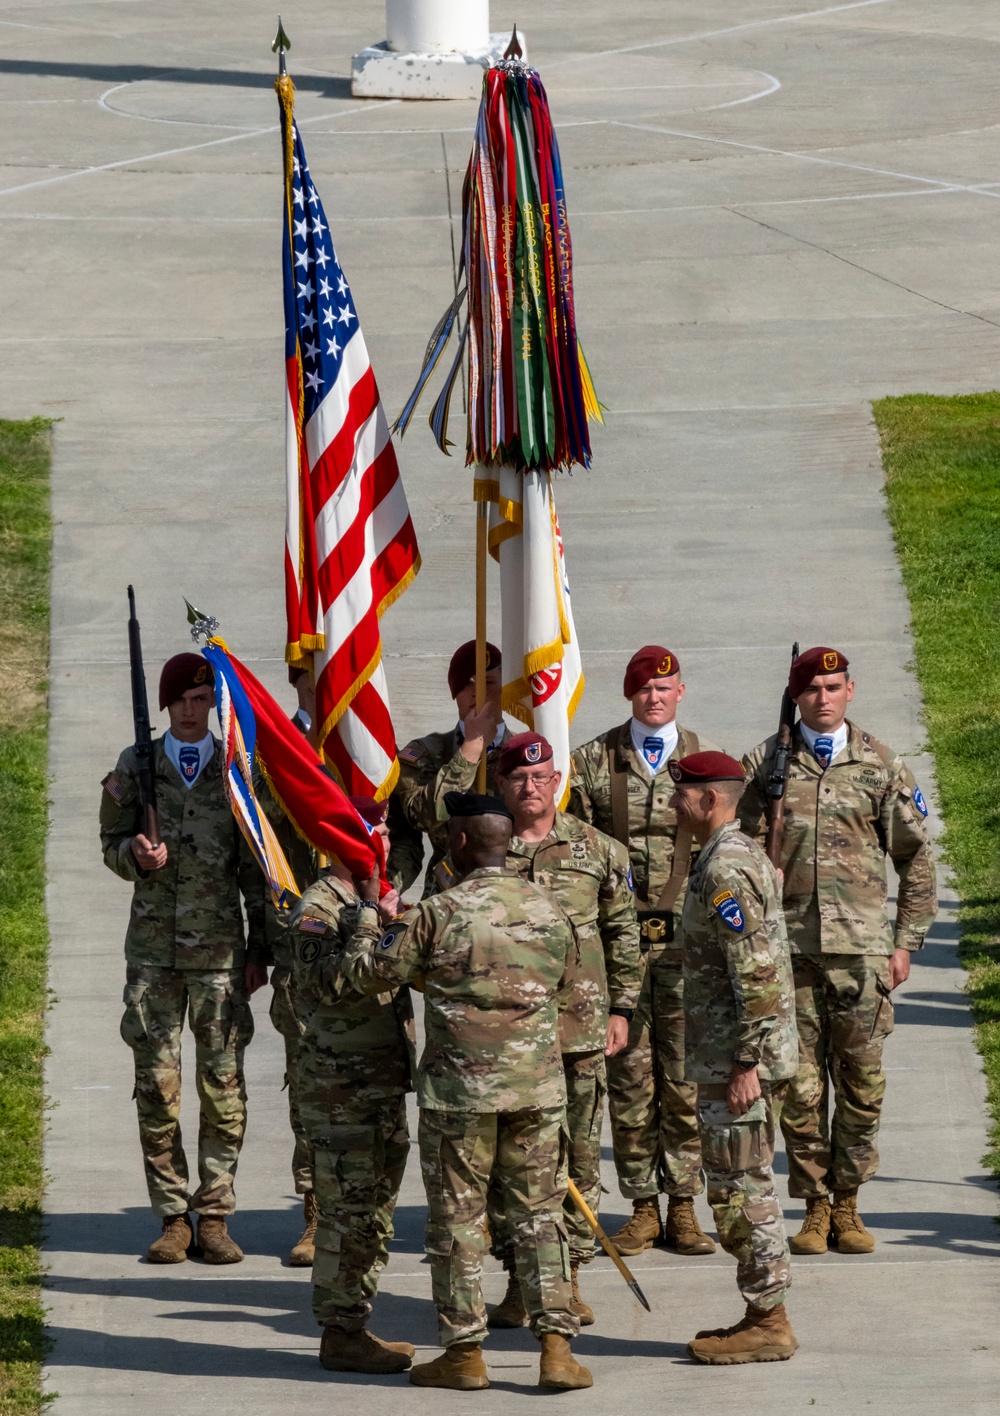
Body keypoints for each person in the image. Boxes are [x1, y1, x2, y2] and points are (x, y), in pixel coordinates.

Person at [339, 792, 592, 1393]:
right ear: (506, 843)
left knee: (457, 1222)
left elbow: (366, 975)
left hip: (461, 1096)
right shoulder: (552, 911)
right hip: (535, 1089)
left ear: (456, 843)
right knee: (539, 1216)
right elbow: (570, 987)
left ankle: (463, 1354)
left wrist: (371, 918)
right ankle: (556, 1349)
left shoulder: (437, 913)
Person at [739, 647, 937, 1255]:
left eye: (833, 686)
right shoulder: (765, 764)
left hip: (862, 955)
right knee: (799, 1088)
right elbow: (736, 857)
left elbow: (916, 857)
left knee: (861, 1083)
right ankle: (816, 1206)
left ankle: (850, 1201)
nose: (823, 698)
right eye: (812, 688)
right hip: (789, 952)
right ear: (796, 696)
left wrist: (905, 942)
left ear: (851, 690)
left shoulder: (881, 765)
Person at [100, 652, 266, 1264]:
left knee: (223, 1087)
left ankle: (215, 1212)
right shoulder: (135, 764)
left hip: (222, 953)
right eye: (181, 703)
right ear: (166, 706)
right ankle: (173, 1217)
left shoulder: (234, 769)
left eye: (201, 702)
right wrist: (133, 858)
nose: (191, 713)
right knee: (157, 1088)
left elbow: (256, 865)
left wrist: (261, 949)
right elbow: (109, 841)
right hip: (153, 956)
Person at [489, 732, 643, 1329]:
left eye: (541, 776)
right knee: (511, 1163)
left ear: (559, 781)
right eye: (519, 779)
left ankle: (569, 1278)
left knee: (577, 1156)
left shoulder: (600, 851)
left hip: (578, 1032)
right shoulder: (479, 851)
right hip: (502, 1038)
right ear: (502, 785)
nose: (531, 787)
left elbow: (623, 935)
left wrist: (622, 1010)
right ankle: (517, 1281)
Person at [569, 644, 718, 1257]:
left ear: (680, 692)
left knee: (682, 1077)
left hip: (686, 946)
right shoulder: (593, 761)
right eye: (642, 690)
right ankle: (641, 1208)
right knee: (628, 1078)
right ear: (628, 696)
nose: (654, 698)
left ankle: (684, 1205)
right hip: (618, 945)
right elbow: (572, 848)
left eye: (664, 689)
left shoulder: (706, 763)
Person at [668, 750, 799, 1364]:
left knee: (742, 1188)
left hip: (734, 1061)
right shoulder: (734, 855)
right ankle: (761, 1311)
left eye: (683, 793)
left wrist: (746, 1062)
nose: (673, 803)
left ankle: (769, 1318)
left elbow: (757, 972)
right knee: (738, 1184)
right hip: (729, 1055)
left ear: (711, 798)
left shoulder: (725, 869)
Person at [287, 795, 415, 1375]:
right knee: (345, 1212)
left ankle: (357, 1321)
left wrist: (393, 922)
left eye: (385, 830)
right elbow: (333, 986)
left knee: (375, 1212)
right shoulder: (319, 907)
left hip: (382, 1078)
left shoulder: (371, 901)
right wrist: (370, 916)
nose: (384, 841)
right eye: (375, 831)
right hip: (340, 1085)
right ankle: (340, 1331)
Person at [261, 665, 322, 1267]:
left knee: (378, 1097)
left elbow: (404, 841)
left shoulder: (369, 746)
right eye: (316, 675)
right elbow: (254, 856)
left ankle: (366, 1213)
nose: (327, 687)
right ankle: (314, 1215)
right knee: (307, 1093)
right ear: (298, 677)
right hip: (298, 957)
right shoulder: (269, 753)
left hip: (365, 953)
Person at [388, 640, 510, 896]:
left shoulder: (523, 754)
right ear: (455, 692)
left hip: (514, 895)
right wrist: (471, 750)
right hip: (446, 898)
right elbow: (422, 815)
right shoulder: (427, 753)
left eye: (488, 682)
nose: (477, 692)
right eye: (467, 684)